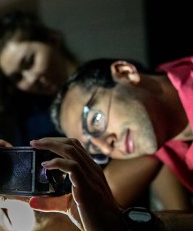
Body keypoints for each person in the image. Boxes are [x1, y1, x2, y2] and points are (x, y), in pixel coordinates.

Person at [50, 57, 193, 203]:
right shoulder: (160, 135)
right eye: (94, 149)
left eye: (95, 121)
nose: (106, 148)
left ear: (125, 74)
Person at [28, 137, 193, 231]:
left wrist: (123, 229)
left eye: (95, 118)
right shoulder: (165, 149)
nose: (105, 145)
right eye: (93, 147)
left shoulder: (155, 145)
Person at [0, 10, 79, 145]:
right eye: (17, 77)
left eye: (30, 62)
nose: (30, 80)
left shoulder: (103, 82)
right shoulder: (32, 120)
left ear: (52, 40)